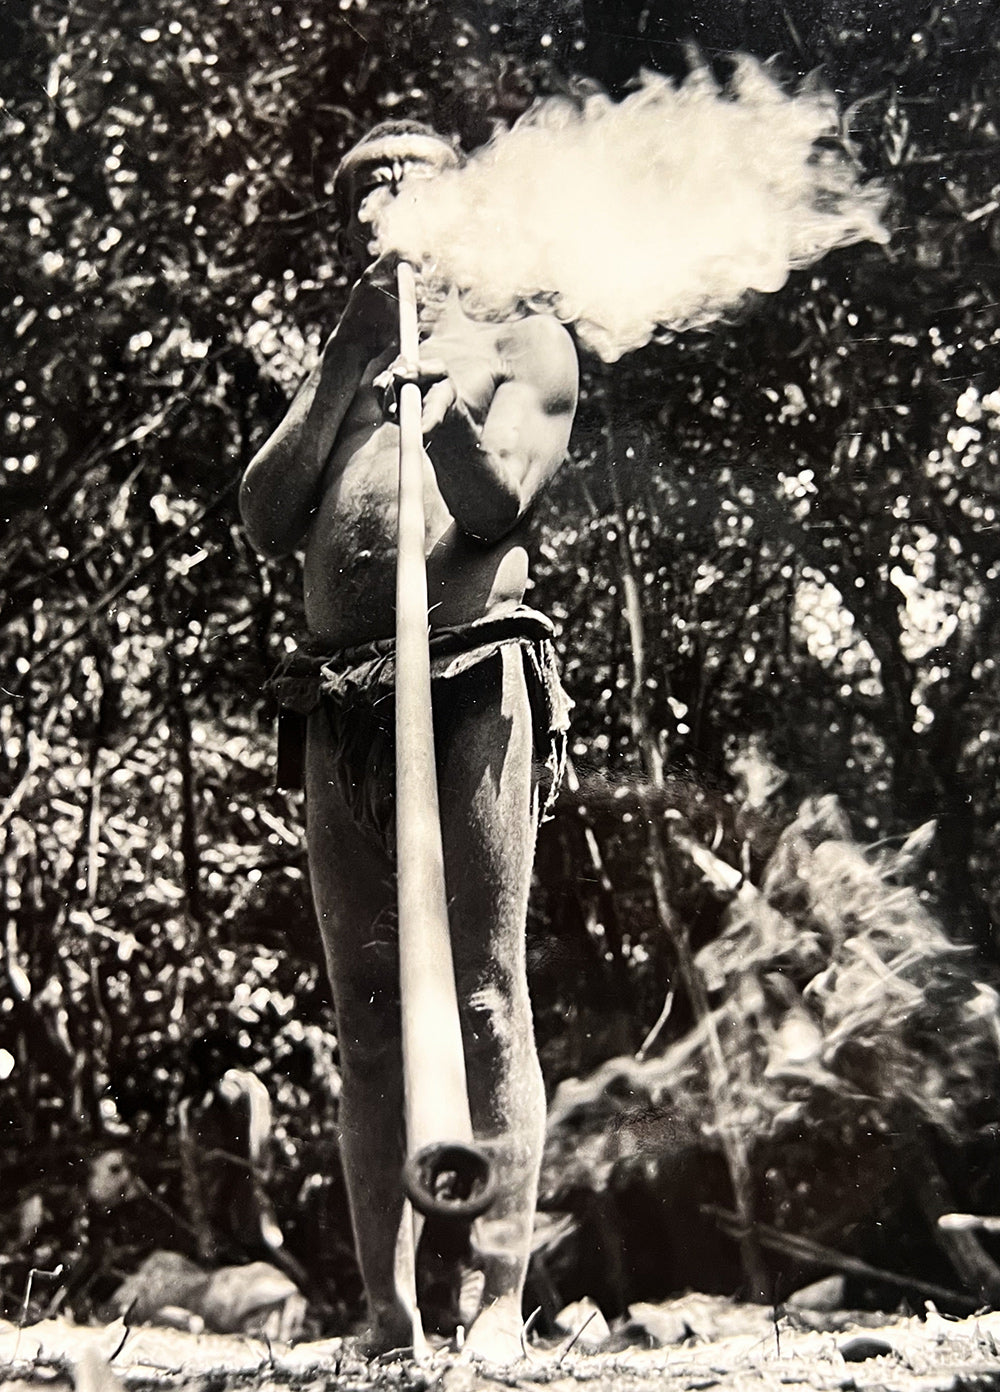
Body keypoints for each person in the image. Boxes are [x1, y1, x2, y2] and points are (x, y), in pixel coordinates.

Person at [239, 120, 578, 1362]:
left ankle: (497, 1304)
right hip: (339, 697)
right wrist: (340, 378)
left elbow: (497, 502)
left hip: (475, 676)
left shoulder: (525, 340)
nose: (379, 194)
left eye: (405, 174)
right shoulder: (345, 360)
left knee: (487, 996)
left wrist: (437, 408)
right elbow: (268, 524)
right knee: (366, 1013)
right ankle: (387, 1319)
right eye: (359, 184)